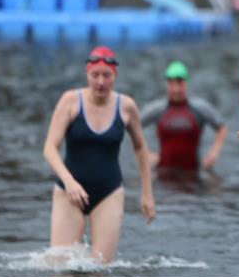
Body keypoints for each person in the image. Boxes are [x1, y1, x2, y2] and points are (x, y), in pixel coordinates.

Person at [43, 47, 155, 264]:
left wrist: (147, 194)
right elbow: (49, 148)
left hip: (109, 193)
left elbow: (141, 147)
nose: (101, 82)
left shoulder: (127, 106)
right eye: (95, 75)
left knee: (100, 273)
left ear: (115, 76)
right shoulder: (71, 101)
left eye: (107, 76)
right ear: (87, 74)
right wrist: (69, 182)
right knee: (60, 270)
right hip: (69, 192)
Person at [141, 60, 227, 175]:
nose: (176, 89)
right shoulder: (158, 109)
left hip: (193, 174)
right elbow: (134, 125)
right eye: (172, 84)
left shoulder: (199, 108)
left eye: (180, 83)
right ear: (167, 85)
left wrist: (214, 154)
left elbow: (222, 127)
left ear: (186, 83)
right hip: (163, 173)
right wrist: (146, 153)